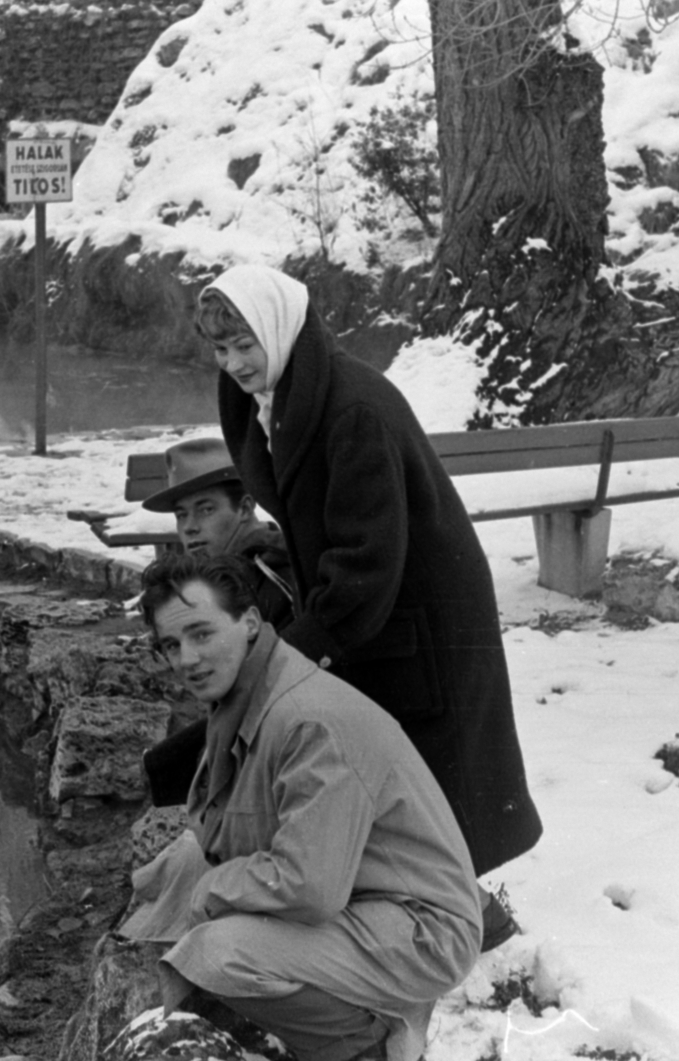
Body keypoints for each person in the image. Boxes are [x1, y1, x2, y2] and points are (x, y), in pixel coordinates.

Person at [196, 263, 543, 949]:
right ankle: (456, 912)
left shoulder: (352, 409)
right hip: (379, 604)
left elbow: (364, 559)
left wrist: (284, 659)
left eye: (245, 344)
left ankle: (461, 926)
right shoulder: (279, 394)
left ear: (278, 329)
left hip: (419, 612)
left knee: (423, 772)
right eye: (221, 349)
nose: (233, 363)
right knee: (389, 772)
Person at [118, 552, 481, 1061]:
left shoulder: (309, 720)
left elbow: (310, 887)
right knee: (182, 867)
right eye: (171, 645)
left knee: (218, 953)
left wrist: (213, 891)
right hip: (361, 892)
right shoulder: (248, 693)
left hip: (421, 930)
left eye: (201, 634)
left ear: (249, 622)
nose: (187, 660)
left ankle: (366, 1043)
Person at [139, 436, 296, 806]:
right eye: (181, 515)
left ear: (245, 507)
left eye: (205, 510)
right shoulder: (219, 575)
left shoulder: (272, 572)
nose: (190, 527)